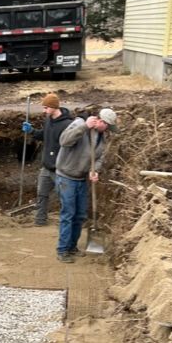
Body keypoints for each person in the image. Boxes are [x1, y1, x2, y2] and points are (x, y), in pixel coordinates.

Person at [54, 107, 118, 263]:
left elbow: (99, 158)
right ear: (101, 121)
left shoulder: (102, 138)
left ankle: (72, 247)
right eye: (107, 126)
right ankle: (63, 250)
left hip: (81, 178)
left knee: (80, 215)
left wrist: (94, 170)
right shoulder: (79, 124)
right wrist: (84, 127)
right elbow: (64, 141)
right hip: (67, 176)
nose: (108, 130)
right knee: (68, 214)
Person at [20, 92, 73, 226]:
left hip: (60, 169)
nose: (44, 111)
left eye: (46, 108)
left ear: (54, 107)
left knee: (65, 197)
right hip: (46, 167)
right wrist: (32, 131)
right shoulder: (48, 120)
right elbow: (43, 135)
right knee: (42, 194)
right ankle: (40, 220)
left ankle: (67, 222)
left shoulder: (67, 125)